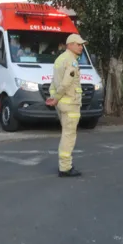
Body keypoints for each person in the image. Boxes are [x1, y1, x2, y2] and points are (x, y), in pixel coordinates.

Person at [46, 34, 87, 177]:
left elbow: (54, 82)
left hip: (62, 104)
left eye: (82, 45)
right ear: (70, 45)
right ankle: (65, 167)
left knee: (66, 133)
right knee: (69, 136)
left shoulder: (59, 59)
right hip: (70, 103)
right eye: (78, 44)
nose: (81, 47)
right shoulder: (71, 62)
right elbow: (65, 83)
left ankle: (65, 165)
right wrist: (56, 98)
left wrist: (53, 96)